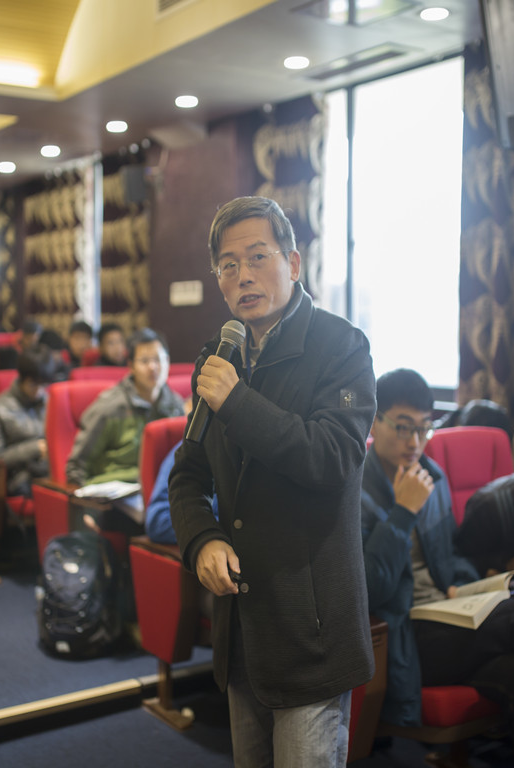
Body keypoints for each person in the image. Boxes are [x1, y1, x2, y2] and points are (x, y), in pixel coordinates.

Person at [169, 196, 375, 767]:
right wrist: (202, 539)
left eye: (258, 257)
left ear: (293, 263)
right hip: (242, 627)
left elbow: (332, 458)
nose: (243, 275)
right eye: (228, 265)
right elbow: (187, 475)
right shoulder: (219, 356)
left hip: (310, 631)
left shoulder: (341, 346)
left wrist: (237, 402)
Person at [360, 368, 514, 768]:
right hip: (406, 633)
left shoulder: (432, 478)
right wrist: (403, 512)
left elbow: (449, 557)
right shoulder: (354, 492)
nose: (414, 442)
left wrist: (463, 583)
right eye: (403, 427)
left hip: (448, 617)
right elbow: (369, 589)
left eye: (424, 428)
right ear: (373, 420)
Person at [66, 327, 184, 489]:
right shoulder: (109, 407)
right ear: (131, 366)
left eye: (158, 359)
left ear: (168, 361)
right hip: (115, 493)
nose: (153, 367)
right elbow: (76, 467)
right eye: (144, 361)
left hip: (160, 490)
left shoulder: (175, 404)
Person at [0, 349, 58, 496]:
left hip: (49, 471)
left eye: (43, 385)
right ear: (21, 378)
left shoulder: (50, 401)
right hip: (20, 478)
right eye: (33, 384)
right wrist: (35, 448)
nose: (38, 391)